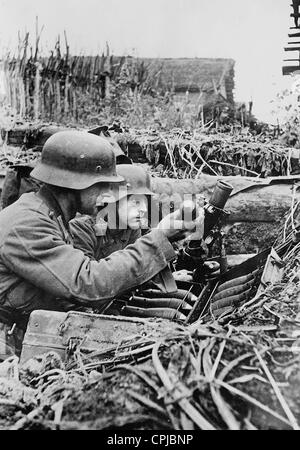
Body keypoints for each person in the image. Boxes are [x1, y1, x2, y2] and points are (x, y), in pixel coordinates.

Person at [0, 130, 196, 359]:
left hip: (28, 331)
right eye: (103, 185)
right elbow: (87, 282)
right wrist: (159, 237)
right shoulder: (27, 223)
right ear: (74, 183)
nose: (111, 195)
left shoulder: (51, 216)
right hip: (7, 342)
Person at [70, 164, 152, 261]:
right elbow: (86, 273)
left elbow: (136, 265)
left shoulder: (131, 228)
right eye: (136, 202)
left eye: (145, 202)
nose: (144, 209)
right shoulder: (83, 229)